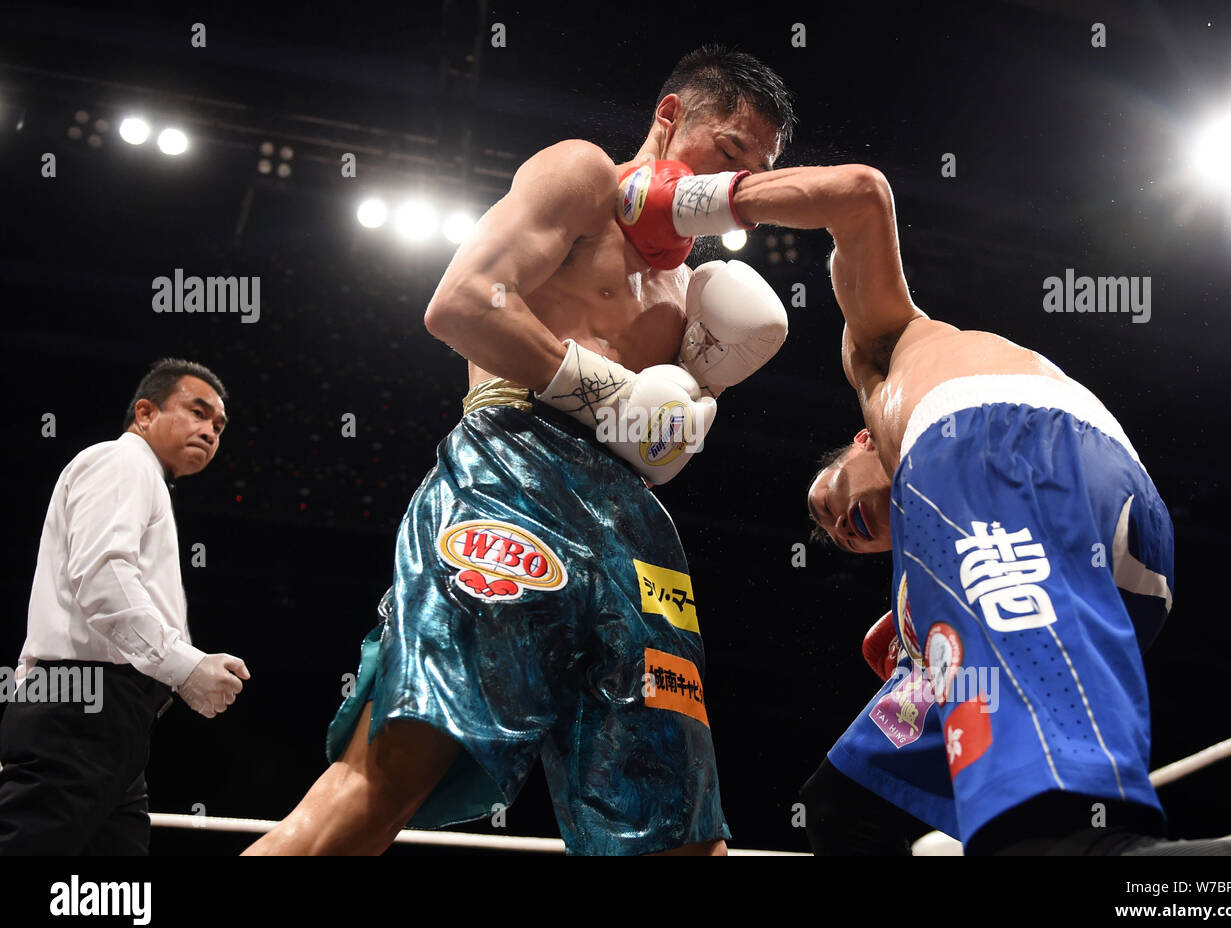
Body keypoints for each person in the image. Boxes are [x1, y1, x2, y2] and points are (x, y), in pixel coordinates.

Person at [245, 45, 795, 856]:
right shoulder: (583, 177)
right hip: (511, 473)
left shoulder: (695, 288)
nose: (735, 189)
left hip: (633, 527)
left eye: (758, 174)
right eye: (730, 153)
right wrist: (609, 392)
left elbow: (652, 440)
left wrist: (682, 421)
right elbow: (460, 303)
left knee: (677, 828)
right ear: (671, 117)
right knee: (389, 776)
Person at [722, 159, 1231, 854]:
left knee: (1043, 842)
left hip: (1004, 449)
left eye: (828, 500)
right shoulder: (928, 543)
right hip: (1113, 561)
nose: (835, 527)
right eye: (840, 539)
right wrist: (914, 639)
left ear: (861, 440)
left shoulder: (884, 354)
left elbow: (860, 198)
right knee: (845, 811)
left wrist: (699, 201)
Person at [0, 358, 250, 855]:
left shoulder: (146, 479)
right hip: (84, 706)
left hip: (103, 715)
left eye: (218, 426)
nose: (209, 431)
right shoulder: (122, 462)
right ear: (144, 413)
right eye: (197, 412)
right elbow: (104, 577)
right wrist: (185, 665)